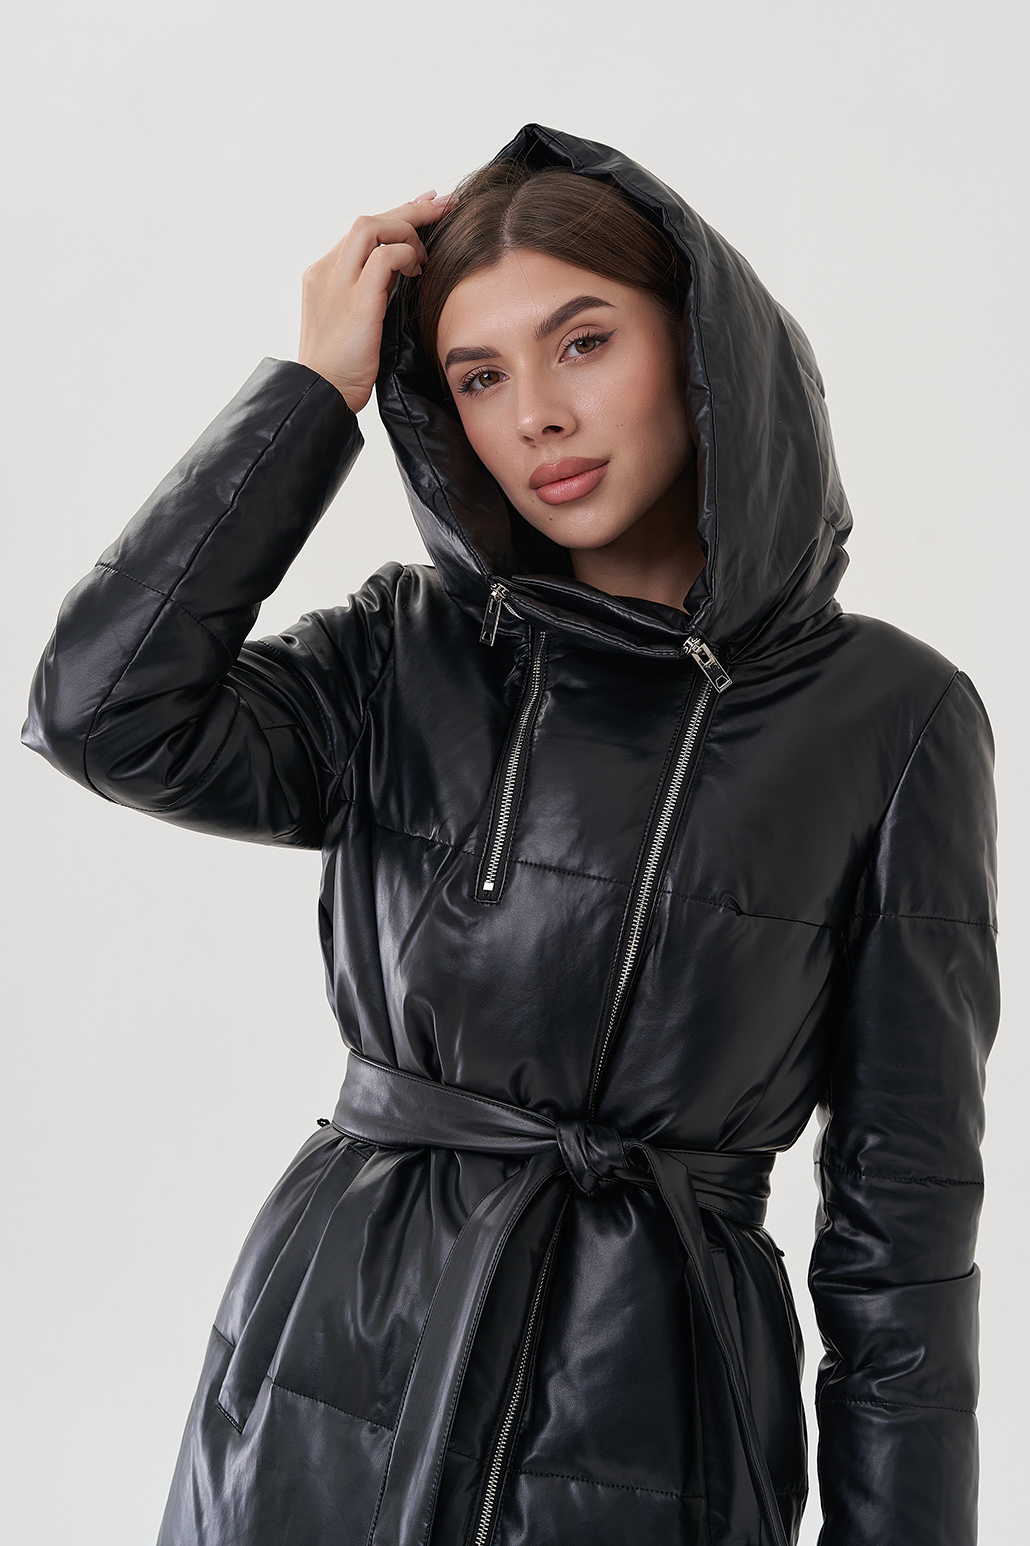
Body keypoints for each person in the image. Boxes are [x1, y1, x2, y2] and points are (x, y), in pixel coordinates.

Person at [22, 123, 1000, 1546]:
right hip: (332, 1359)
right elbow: (102, 716)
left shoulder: (893, 716)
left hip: (657, 1400)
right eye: (479, 375)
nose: (536, 412)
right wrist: (311, 396)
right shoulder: (403, 649)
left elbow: (900, 1234)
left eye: (583, 342)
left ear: (701, 347)